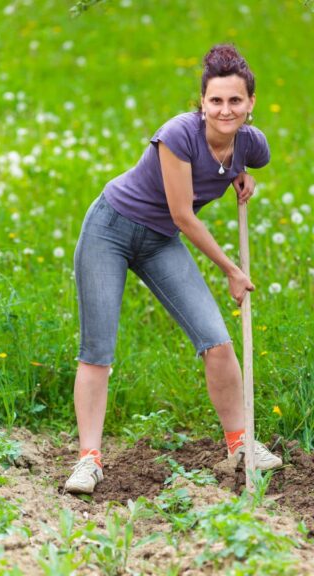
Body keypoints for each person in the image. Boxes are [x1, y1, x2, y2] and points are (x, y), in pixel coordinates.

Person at [65, 45, 281, 495]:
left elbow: (247, 164)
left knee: (217, 340)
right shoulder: (178, 134)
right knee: (97, 350)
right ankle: (89, 459)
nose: (225, 109)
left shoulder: (251, 145)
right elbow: (183, 214)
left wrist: (242, 174)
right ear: (201, 102)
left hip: (159, 242)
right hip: (111, 228)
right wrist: (231, 269)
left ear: (251, 104)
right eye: (216, 100)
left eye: (235, 101)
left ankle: (240, 445)